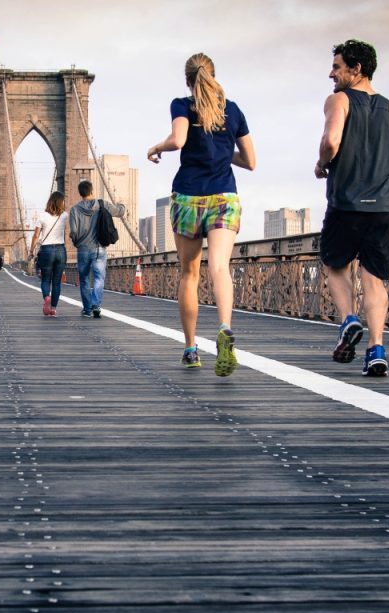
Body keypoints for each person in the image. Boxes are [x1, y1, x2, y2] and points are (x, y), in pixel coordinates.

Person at [315, 39, 389, 377]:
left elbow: (331, 141)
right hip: (383, 209)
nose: (331, 74)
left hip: (346, 204)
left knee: (336, 266)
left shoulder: (339, 100)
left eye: (337, 67)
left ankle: (349, 320)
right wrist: (382, 165)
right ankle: (376, 350)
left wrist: (322, 164)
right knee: (375, 280)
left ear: (356, 69)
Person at [146, 53, 255, 374]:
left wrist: (156, 147)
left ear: (187, 80)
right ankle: (224, 327)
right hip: (224, 196)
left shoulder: (181, 105)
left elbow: (178, 139)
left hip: (188, 197)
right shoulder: (233, 110)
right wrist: (221, 151)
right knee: (220, 267)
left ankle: (191, 348)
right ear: (213, 75)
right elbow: (250, 161)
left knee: (189, 275)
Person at [68, 180, 125, 319]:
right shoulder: (102, 204)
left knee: (84, 279)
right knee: (99, 278)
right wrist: (121, 204)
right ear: (91, 191)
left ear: (80, 193)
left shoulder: (74, 210)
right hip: (99, 249)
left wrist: (77, 243)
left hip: (83, 249)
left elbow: (73, 232)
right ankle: (96, 305)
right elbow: (120, 212)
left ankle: (87, 310)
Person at [29, 191, 69, 317]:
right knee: (56, 282)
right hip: (61, 250)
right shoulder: (65, 216)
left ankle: (47, 297)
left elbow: (36, 235)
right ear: (61, 202)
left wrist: (31, 251)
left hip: (46, 251)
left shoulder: (42, 216)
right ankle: (53, 309)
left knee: (46, 279)